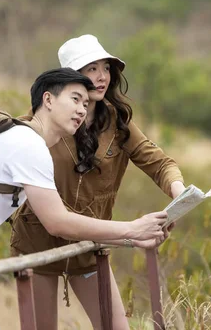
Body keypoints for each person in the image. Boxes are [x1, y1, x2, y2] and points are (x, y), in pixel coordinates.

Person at [0, 68, 169, 330]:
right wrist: (133, 229)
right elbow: (57, 222)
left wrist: (131, 234)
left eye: (85, 103)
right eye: (75, 99)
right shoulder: (28, 144)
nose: (82, 109)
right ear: (47, 100)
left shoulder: (17, 139)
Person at [10, 35, 186, 330]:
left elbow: (161, 164)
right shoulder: (36, 125)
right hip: (37, 245)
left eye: (105, 68)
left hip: (91, 243)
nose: (102, 76)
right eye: (91, 69)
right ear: (70, 78)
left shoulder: (117, 122)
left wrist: (180, 194)